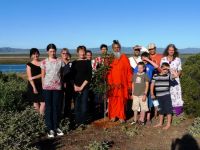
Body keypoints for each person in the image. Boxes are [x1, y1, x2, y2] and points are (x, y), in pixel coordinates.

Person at [41, 43, 64, 138]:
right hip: (47, 87)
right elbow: (43, 75)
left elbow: (61, 74)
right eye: (50, 51)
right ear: (47, 52)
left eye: (54, 51)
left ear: (56, 51)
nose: (52, 53)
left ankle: (56, 127)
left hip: (57, 87)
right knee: (49, 107)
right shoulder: (44, 62)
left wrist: (61, 83)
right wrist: (43, 85)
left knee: (56, 107)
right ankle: (50, 128)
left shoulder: (60, 61)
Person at [107, 40, 133, 123]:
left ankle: (121, 116)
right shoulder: (109, 59)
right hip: (113, 83)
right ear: (112, 48)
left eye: (118, 47)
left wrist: (129, 83)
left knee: (121, 100)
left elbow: (129, 71)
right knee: (113, 100)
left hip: (122, 83)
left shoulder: (124, 57)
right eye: (114, 48)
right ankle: (113, 115)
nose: (116, 49)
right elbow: (107, 72)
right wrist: (108, 82)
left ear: (120, 48)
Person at [151, 62, 179, 130]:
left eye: (167, 69)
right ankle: (160, 123)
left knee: (168, 110)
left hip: (166, 96)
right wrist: (152, 93)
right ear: (161, 68)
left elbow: (176, 75)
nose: (165, 71)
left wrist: (169, 68)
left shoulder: (168, 76)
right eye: (164, 69)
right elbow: (152, 85)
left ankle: (168, 124)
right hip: (158, 96)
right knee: (160, 110)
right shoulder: (155, 75)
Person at [134, 52, 159, 125]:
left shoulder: (150, 66)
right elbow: (135, 75)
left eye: (146, 58)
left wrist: (148, 60)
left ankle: (148, 119)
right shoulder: (138, 66)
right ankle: (142, 118)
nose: (144, 60)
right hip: (141, 87)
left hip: (150, 86)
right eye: (143, 58)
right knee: (143, 103)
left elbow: (157, 67)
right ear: (141, 58)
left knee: (149, 103)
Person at [71, 45, 92, 126]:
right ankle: (77, 121)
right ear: (77, 52)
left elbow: (89, 76)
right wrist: (75, 86)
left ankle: (83, 122)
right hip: (75, 87)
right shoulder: (74, 63)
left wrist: (81, 87)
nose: (82, 53)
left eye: (83, 51)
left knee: (84, 105)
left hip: (85, 87)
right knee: (76, 105)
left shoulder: (87, 62)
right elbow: (71, 76)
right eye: (80, 51)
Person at [160, 44, 183, 115]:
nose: (171, 51)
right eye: (170, 50)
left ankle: (177, 112)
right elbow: (161, 69)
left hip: (175, 80)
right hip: (166, 80)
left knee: (177, 95)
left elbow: (179, 69)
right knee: (167, 95)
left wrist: (177, 75)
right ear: (167, 50)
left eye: (172, 50)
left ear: (174, 51)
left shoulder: (178, 59)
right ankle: (168, 111)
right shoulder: (163, 59)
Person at [26, 48, 45, 114]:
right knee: (35, 102)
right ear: (31, 55)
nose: (35, 55)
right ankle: (37, 119)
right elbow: (29, 78)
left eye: (37, 53)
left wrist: (34, 77)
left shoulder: (42, 63)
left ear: (39, 54)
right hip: (33, 86)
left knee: (43, 102)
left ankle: (41, 116)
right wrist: (34, 88)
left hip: (42, 85)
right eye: (34, 54)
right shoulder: (29, 65)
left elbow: (44, 73)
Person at [60, 48, 73, 119]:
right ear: (61, 54)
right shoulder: (58, 62)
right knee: (60, 101)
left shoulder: (70, 63)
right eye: (63, 53)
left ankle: (67, 116)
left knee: (68, 101)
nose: (65, 54)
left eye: (66, 53)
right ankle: (60, 117)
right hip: (60, 84)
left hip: (69, 85)